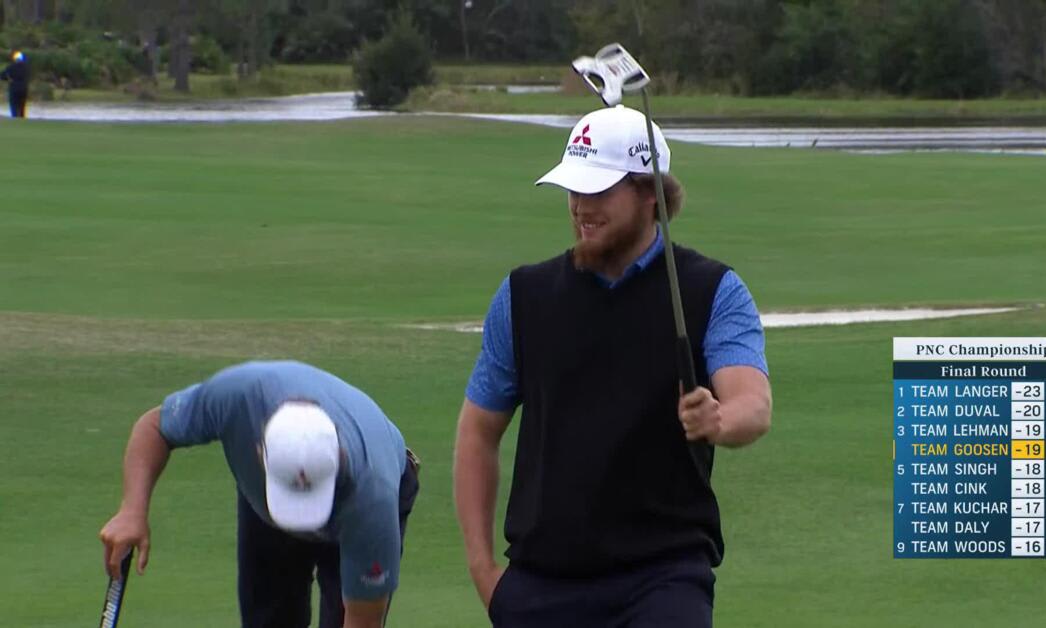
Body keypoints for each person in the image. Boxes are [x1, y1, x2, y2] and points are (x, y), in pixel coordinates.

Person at [454, 105, 773, 627]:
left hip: (663, 579)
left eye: (598, 191)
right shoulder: (524, 296)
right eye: (573, 191)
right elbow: (477, 431)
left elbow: (752, 405)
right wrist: (485, 572)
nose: (580, 207)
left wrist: (720, 421)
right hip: (540, 584)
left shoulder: (710, 290)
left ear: (651, 194)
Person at [99, 360, 419, 628]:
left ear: (340, 460)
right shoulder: (237, 397)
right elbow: (155, 427)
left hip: (352, 510)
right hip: (265, 502)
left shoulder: (371, 499)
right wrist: (132, 511)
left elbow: (362, 623)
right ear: (259, 453)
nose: (299, 525)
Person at [1, 50, 29, 118]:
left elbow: (2, 76)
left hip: (14, 87)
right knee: (22, 105)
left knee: (14, 105)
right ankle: (22, 118)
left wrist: (8, 79)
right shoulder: (26, 67)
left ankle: (15, 117)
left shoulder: (11, 67)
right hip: (23, 87)